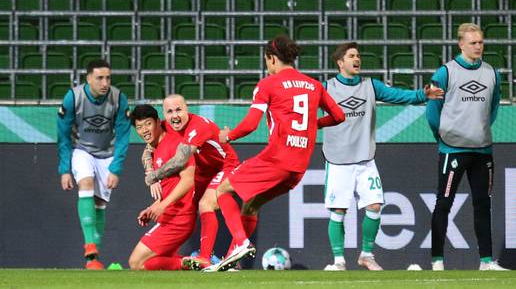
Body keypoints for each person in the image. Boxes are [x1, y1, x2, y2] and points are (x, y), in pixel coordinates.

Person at [210, 35, 346, 272]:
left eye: (266, 60)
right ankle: (233, 263)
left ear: (272, 58)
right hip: (298, 168)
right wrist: (315, 124)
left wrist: (228, 135)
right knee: (250, 206)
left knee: (221, 190)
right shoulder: (314, 85)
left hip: (276, 158)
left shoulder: (267, 84)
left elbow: (251, 124)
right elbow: (339, 116)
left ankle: (241, 243)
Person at [322, 42, 444, 271]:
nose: (357, 59)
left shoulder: (371, 86)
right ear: (340, 62)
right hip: (338, 160)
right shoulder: (326, 88)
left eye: (358, 55)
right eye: (351, 56)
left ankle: (366, 255)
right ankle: (339, 261)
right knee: (338, 210)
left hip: (365, 159)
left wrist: (423, 94)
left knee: (375, 205)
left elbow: (398, 95)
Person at [426, 23, 507, 271]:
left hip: (482, 150)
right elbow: (432, 112)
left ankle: (485, 261)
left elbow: (492, 109)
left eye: (481, 42)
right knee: (444, 203)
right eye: (473, 43)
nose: (478, 47)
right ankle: (437, 260)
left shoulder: (492, 73)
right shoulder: (445, 73)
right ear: (461, 44)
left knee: (483, 204)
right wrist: (444, 137)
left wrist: (478, 130)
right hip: (453, 149)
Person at [141, 94, 246, 270]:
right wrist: (150, 173)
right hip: (203, 172)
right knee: (184, 204)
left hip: (225, 167)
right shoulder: (167, 127)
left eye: (178, 110)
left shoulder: (198, 126)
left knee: (205, 203)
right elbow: (147, 151)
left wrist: (155, 176)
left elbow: (181, 160)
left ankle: (205, 258)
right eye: (169, 111)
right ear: (163, 116)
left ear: (187, 110)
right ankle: (181, 256)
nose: (175, 115)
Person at [57, 59, 130, 270]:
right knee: (85, 184)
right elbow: (63, 135)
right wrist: (64, 170)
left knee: (100, 204)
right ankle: (89, 244)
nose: (104, 82)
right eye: (99, 78)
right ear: (88, 78)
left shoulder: (118, 98)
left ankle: (93, 260)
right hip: (82, 149)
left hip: (108, 154)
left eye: (108, 78)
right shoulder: (73, 97)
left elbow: (124, 136)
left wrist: (116, 167)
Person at [128, 104, 197, 270]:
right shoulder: (156, 149)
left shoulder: (176, 145)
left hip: (179, 218)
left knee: (136, 263)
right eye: (139, 127)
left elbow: (188, 181)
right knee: (154, 264)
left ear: (158, 122)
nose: (144, 130)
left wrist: (163, 206)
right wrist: (153, 207)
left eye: (148, 124)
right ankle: (196, 263)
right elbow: (170, 186)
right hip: (171, 216)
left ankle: (195, 263)